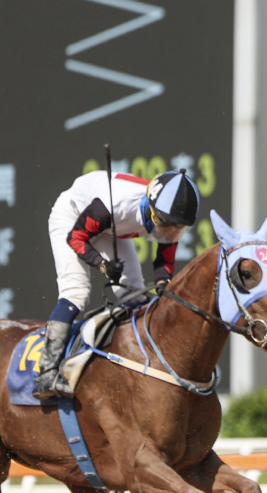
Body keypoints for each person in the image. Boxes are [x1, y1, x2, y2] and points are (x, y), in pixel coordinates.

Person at [32, 168, 200, 400]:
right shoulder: (115, 205)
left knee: (134, 294)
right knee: (77, 292)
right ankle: (46, 372)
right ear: (151, 208)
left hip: (110, 226)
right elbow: (75, 238)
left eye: (176, 228)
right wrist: (102, 265)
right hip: (73, 217)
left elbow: (163, 264)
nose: (168, 233)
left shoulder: (168, 215)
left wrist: (163, 286)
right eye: (164, 224)